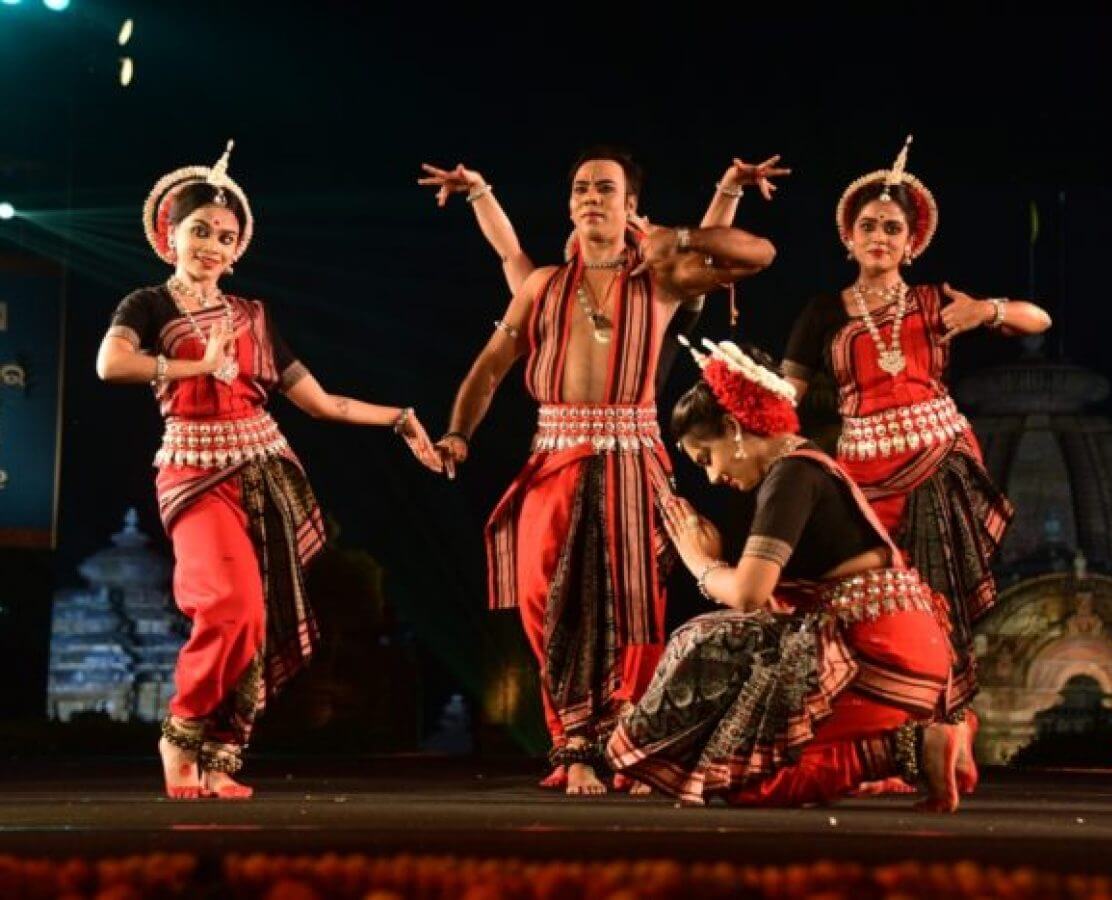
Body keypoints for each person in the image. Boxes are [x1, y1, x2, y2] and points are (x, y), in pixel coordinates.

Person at [419, 147, 776, 795]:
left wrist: (707, 210)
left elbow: (756, 256)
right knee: (541, 602)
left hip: (634, 459)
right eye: (581, 187)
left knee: (634, 604)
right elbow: (491, 365)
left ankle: (626, 749)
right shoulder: (542, 285)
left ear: (630, 207)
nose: (591, 197)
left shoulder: (661, 279)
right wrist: (455, 435)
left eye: (605, 189)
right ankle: (574, 746)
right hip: (554, 457)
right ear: (569, 204)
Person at [96, 141, 441, 799]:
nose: (212, 244)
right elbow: (111, 365)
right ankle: (181, 731)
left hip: (263, 472)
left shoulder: (253, 316)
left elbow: (322, 402)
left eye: (225, 236)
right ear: (170, 235)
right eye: (200, 231)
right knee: (224, 606)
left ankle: (223, 751)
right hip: (194, 475)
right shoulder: (148, 305)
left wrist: (399, 417)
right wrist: (198, 367)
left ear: (237, 249)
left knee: (252, 618)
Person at [781, 137, 1051, 781]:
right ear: (848, 238)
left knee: (932, 609)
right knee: (863, 610)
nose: (880, 235)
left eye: (892, 228)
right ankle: (875, 750)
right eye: (868, 226)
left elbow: (1036, 319)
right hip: (860, 480)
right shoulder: (823, 312)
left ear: (911, 243)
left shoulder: (937, 303)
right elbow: (785, 399)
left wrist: (985, 311)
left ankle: (937, 745)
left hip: (935, 466)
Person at [606, 338, 961, 810]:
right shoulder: (799, 467)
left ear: (733, 428)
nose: (712, 478)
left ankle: (914, 746)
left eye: (706, 459)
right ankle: (915, 736)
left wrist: (700, 562)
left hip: (875, 655)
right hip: (888, 646)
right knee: (715, 648)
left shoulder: (791, 475)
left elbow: (751, 594)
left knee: (748, 783)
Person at [417, 155, 790, 389]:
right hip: (560, 445)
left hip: (631, 440)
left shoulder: (662, 286)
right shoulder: (549, 292)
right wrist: (479, 191)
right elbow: (510, 253)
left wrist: (727, 191)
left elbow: (709, 252)